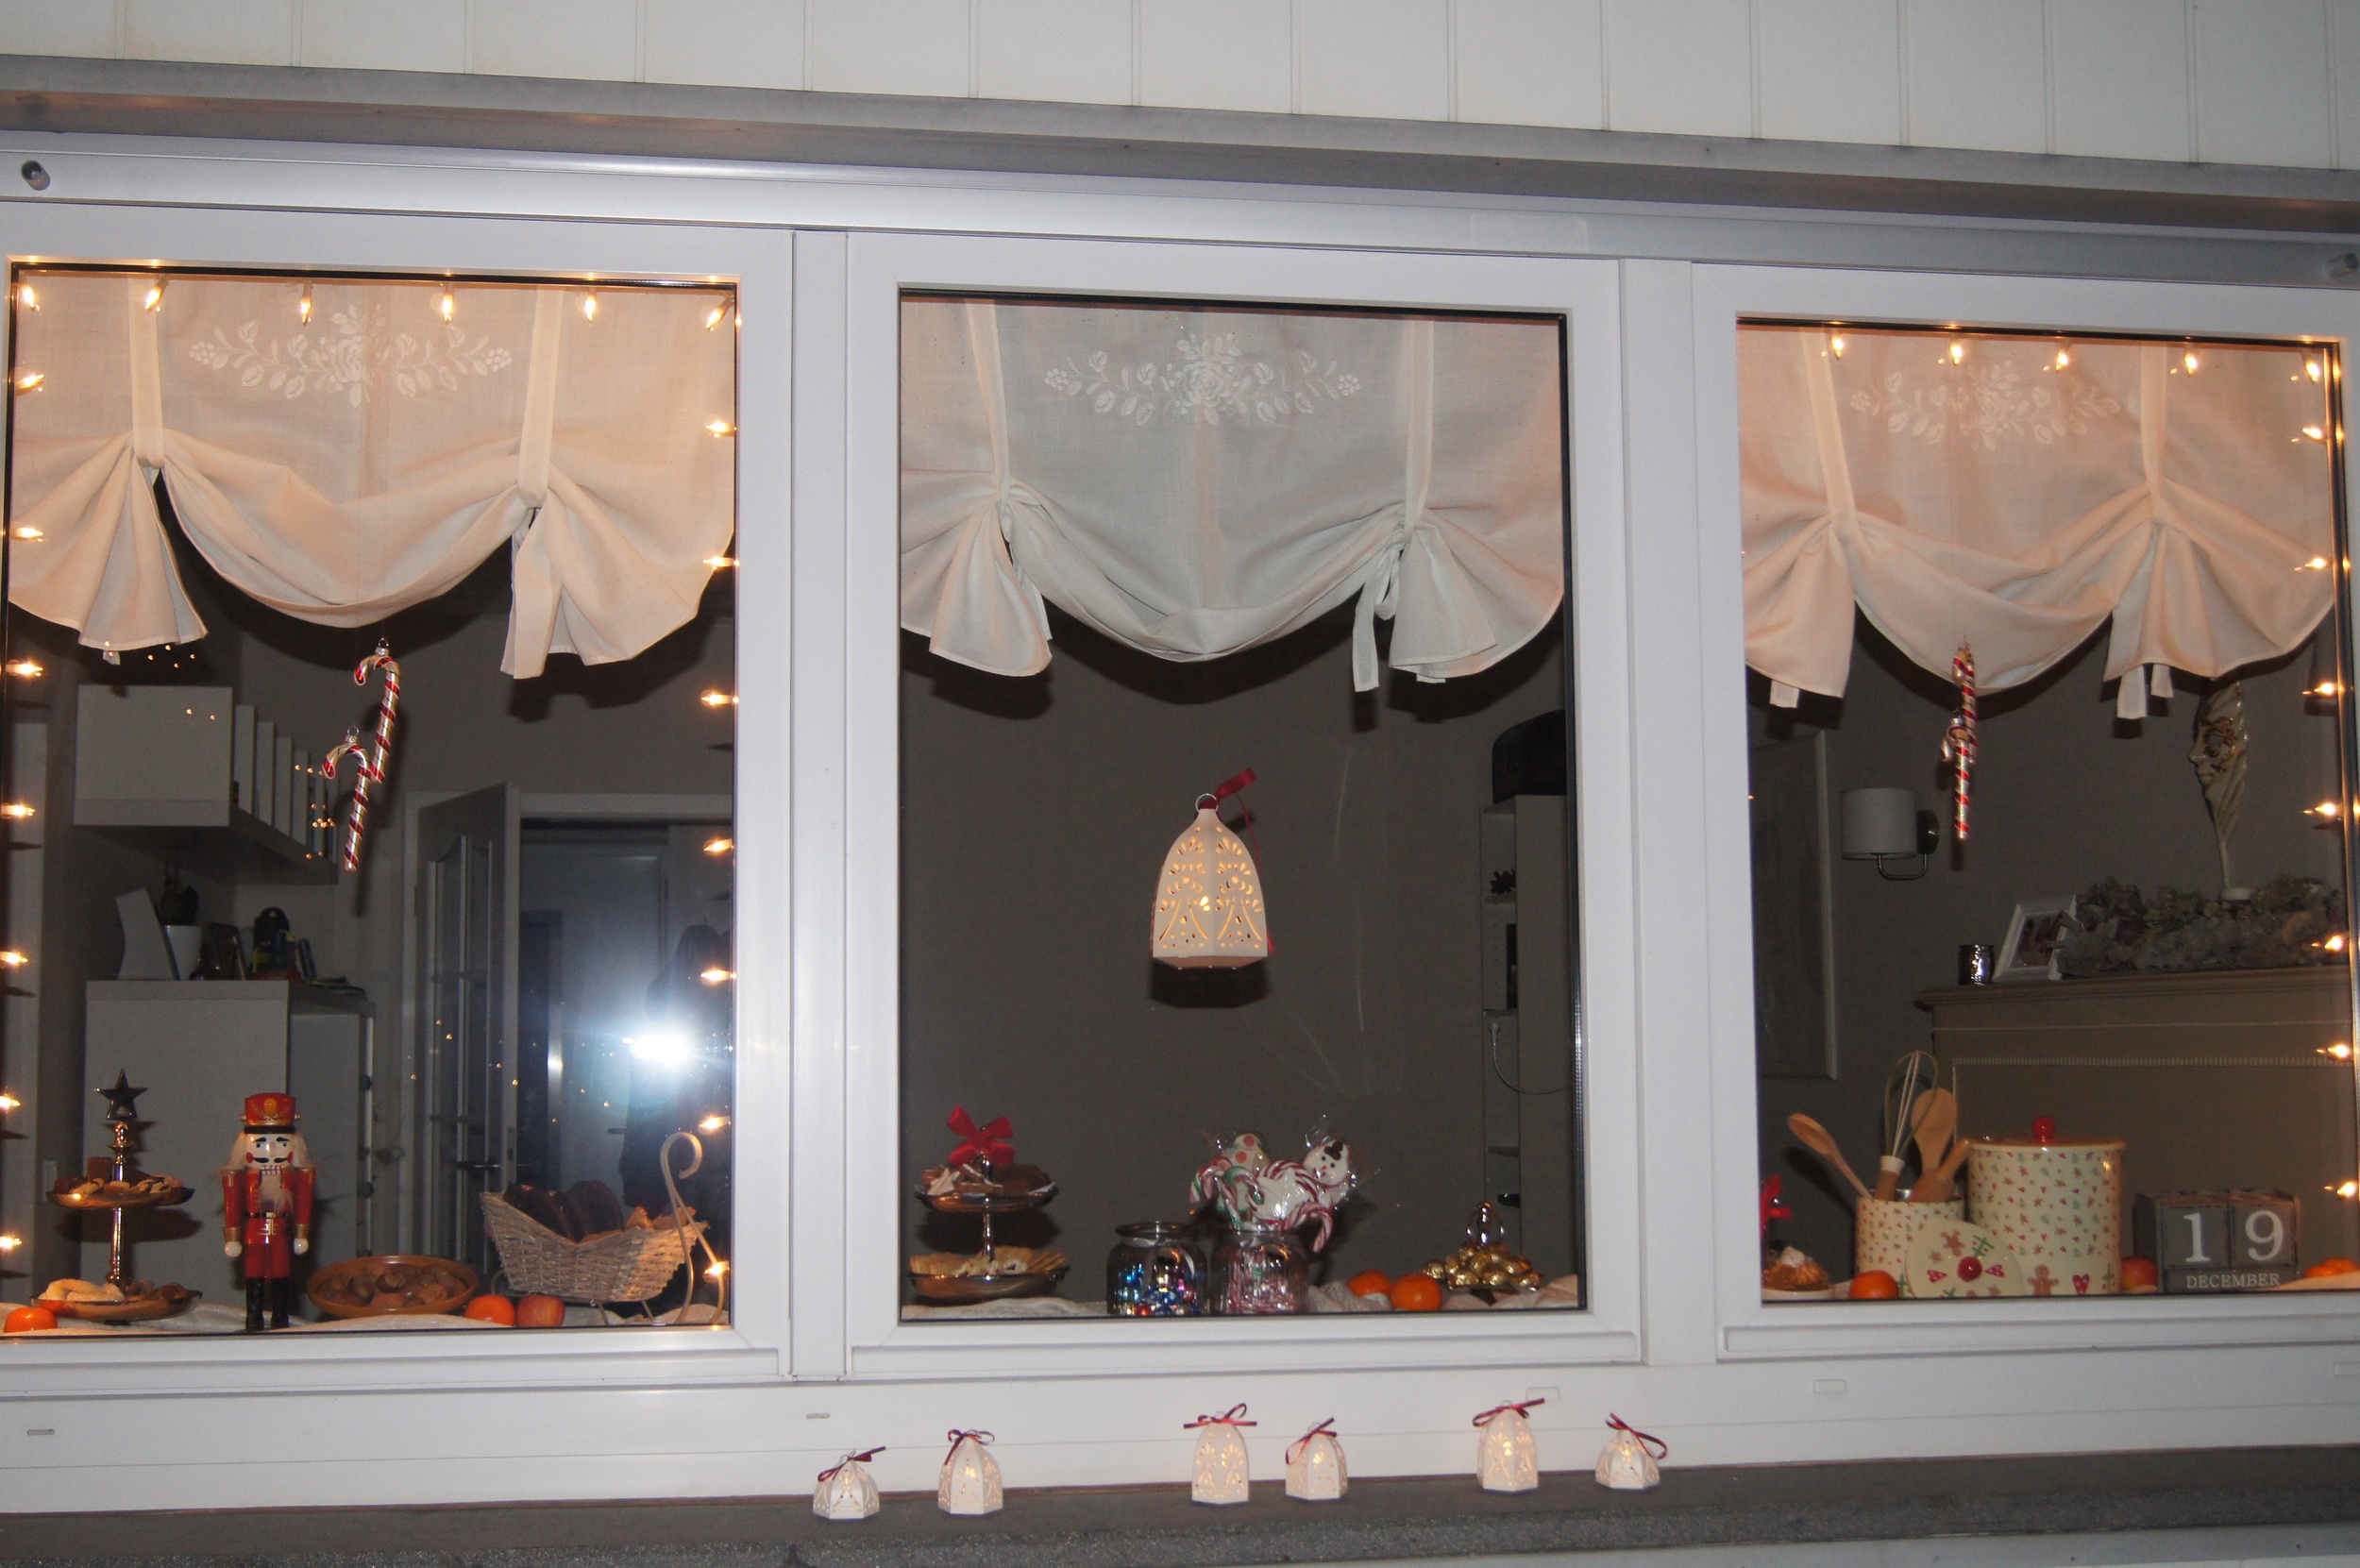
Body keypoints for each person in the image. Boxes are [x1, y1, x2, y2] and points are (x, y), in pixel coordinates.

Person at [220, 1092, 313, 1330]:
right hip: (253, 1231)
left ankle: (280, 1316)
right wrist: (232, 1237)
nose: (271, 1152)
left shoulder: (295, 1176)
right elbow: (232, 1203)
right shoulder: (240, 1178)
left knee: (281, 1273)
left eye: (281, 1144)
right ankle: (254, 1317)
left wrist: (301, 1234)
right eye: (261, 1144)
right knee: (253, 1273)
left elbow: (303, 1202)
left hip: (281, 1231)